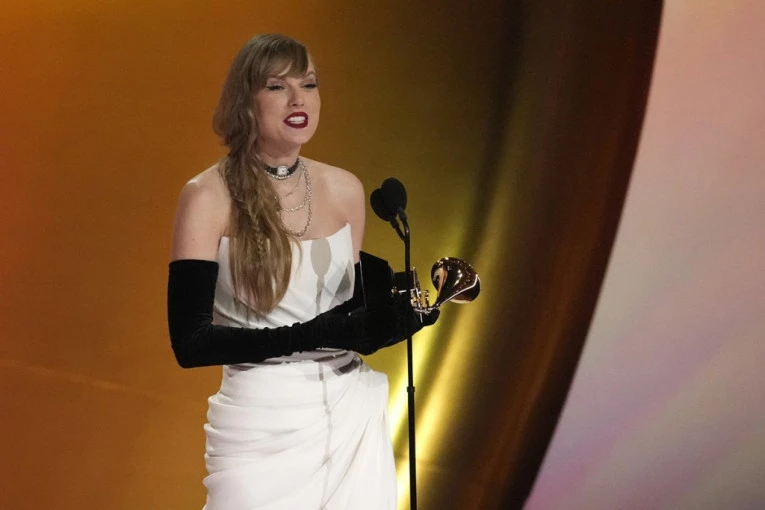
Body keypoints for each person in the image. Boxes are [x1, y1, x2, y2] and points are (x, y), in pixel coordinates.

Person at [167, 34, 436, 510]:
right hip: (261, 425)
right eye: (277, 86)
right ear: (245, 101)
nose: (298, 99)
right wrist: (312, 334)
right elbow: (190, 343)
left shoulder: (344, 189)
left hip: (347, 413)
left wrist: (391, 321)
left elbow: (351, 315)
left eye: (308, 85)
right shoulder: (207, 196)